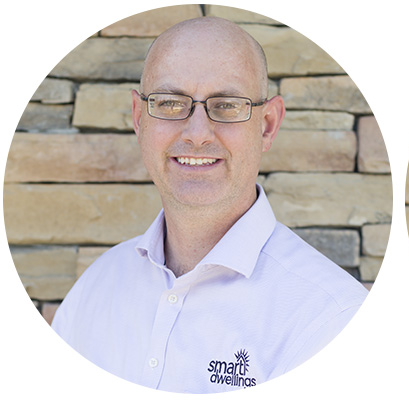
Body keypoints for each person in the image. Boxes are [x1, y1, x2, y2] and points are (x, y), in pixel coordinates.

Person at [51, 17, 368, 393]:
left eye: (227, 105)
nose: (198, 134)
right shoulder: (95, 288)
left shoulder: (332, 317)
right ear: (139, 118)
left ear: (267, 125)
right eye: (170, 103)